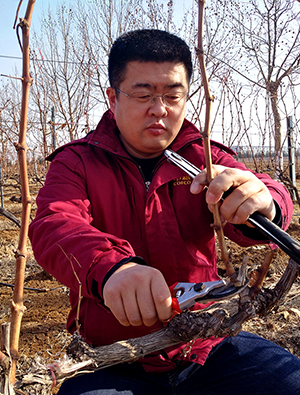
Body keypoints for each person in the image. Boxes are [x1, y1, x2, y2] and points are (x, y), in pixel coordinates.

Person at [29, 29, 300, 395]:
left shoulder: (203, 156)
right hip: (113, 359)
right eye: (143, 95)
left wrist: (266, 202)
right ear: (113, 98)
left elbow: (263, 194)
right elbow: (54, 225)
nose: (159, 109)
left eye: (173, 95)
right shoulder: (77, 162)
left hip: (206, 345)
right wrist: (111, 269)